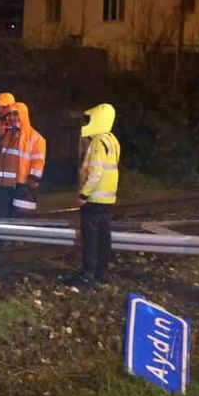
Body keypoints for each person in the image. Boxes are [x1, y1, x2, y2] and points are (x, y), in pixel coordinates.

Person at [67, 103, 120, 285]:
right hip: (108, 199)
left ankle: (87, 274)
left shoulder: (98, 142)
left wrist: (84, 194)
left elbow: (96, 172)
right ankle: (101, 273)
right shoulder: (112, 140)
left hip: (95, 198)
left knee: (90, 237)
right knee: (104, 237)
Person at [6, 102, 46, 215]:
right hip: (7, 185)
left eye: (15, 114)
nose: (11, 117)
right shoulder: (8, 135)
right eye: (10, 114)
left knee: (21, 219)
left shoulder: (36, 137)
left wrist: (33, 179)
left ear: (22, 115)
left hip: (24, 185)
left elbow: (38, 161)